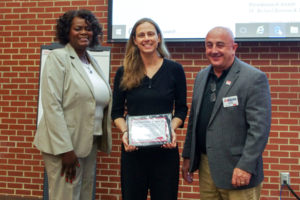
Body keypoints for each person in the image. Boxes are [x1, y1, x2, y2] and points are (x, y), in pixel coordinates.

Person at [182, 26, 271, 200]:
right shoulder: (201, 77)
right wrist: (188, 156)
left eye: (220, 45)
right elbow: (194, 120)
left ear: (234, 48)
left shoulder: (253, 78)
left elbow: (259, 129)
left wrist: (245, 166)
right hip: (207, 167)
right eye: (209, 45)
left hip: (238, 169)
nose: (214, 50)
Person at [34, 9, 112, 200]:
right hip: (66, 146)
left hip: (89, 142)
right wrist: (65, 150)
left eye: (88, 28)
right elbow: (52, 105)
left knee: (84, 195)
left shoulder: (90, 61)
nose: (84, 32)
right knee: (66, 196)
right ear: (67, 32)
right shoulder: (58, 58)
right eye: (78, 28)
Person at [111, 18, 188, 200]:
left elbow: (182, 109)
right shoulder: (124, 72)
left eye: (151, 34)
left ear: (159, 38)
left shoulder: (175, 70)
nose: (147, 38)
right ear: (135, 40)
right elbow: (116, 112)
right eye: (141, 35)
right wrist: (126, 132)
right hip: (133, 152)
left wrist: (171, 129)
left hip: (165, 152)